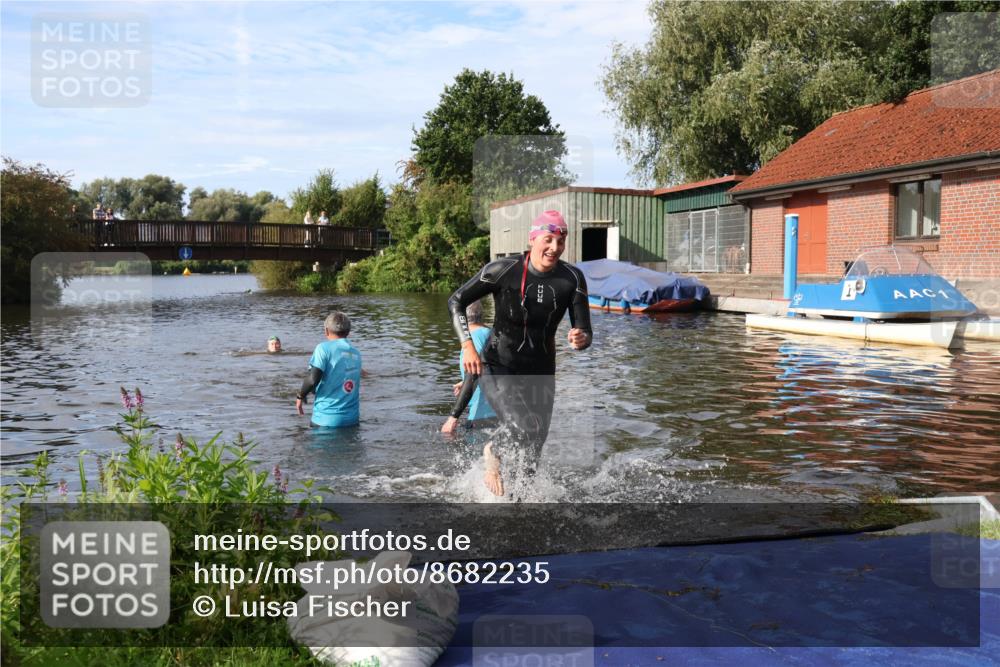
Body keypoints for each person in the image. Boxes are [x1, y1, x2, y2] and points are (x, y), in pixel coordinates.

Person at [447, 210, 592, 496]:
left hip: (541, 372)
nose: (554, 247)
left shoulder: (572, 278)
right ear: (533, 238)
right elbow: (456, 301)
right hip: (498, 364)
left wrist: (581, 338)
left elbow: (584, 331)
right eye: (548, 239)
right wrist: (467, 346)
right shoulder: (503, 269)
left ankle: (519, 505)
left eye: (560, 241)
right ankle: (492, 451)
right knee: (523, 426)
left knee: (534, 448)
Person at [296, 311, 364, 428]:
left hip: (325, 419)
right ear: (348, 332)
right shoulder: (356, 353)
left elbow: (312, 380)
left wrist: (300, 396)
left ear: (326, 330)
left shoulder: (323, 348)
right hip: (352, 420)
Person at [441, 300, 496, 433]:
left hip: (482, 417)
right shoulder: (491, 333)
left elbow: (475, 372)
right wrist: (465, 381)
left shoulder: (471, 340)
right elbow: (493, 369)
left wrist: (452, 418)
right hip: (502, 414)